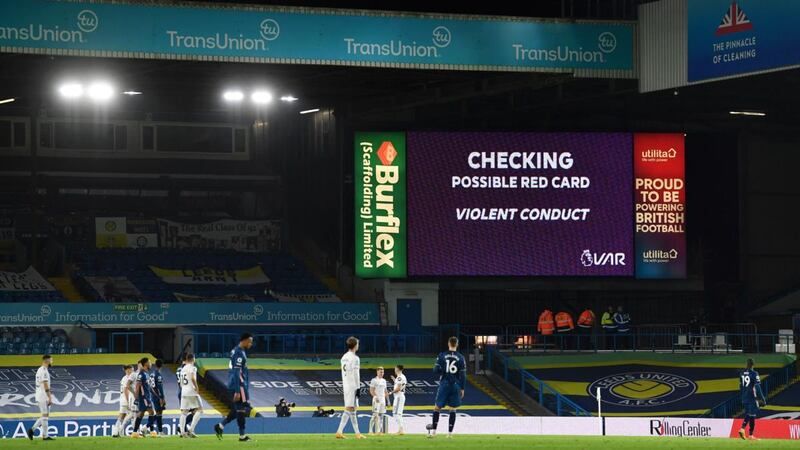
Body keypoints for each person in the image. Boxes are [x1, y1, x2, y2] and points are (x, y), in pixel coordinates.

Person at [215, 333, 254, 442]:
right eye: (250, 341)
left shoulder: (237, 350)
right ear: (244, 340)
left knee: (240, 408)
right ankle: (241, 436)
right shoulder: (238, 352)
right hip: (239, 385)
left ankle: (221, 425)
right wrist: (237, 390)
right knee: (243, 409)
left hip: (239, 384)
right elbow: (237, 372)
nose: (251, 343)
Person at [426, 336, 466, 439]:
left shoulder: (442, 355)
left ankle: (434, 432)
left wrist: (443, 371)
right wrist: (462, 388)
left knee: (437, 407)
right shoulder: (461, 357)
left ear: (448, 344)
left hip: (444, 384)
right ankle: (449, 434)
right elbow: (463, 375)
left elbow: (435, 370)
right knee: (453, 409)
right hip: (456, 385)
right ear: (457, 344)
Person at [335, 336, 365, 439]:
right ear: (355, 345)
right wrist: (358, 387)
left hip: (346, 384)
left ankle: (357, 433)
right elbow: (356, 374)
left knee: (353, 410)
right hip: (352, 385)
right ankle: (339, 431)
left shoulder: (344, 357)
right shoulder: (355, 358)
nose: (358, 345)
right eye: (358, 344)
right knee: (349, 409)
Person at [27, 354, 55, 441]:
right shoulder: (43, 371)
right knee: (45, 416)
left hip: (41, 395)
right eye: (51, 360)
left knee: (45, 416)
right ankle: (44, 436)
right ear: (47, 360)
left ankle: (32, 430)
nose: (52, 361)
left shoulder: (41, 369)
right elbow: (45, 384)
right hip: (43, 396)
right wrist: (49, 397)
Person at [738, 358, 767, 440]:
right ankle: (742, 428)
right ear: (753, 365)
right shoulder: (754, 373)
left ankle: (750, 435)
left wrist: (742, 396)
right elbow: (757, 386)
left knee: (751, 414)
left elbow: (740, 386)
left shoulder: (742, 373)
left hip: (744, 396)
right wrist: (762, 398)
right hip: (752, 397)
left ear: (746, 364)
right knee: (751, 413)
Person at [179, 354, 203, 438]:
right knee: (200, 410)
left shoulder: (183, 369)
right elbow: (193, 378)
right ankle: (191, 430)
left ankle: (182, 432)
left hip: (184, 391)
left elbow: (181, 382)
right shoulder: (192, 368)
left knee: (184, 412)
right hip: (191, 391)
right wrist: (197, 387)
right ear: (193, 359)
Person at [132, 357, 156, 438]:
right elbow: (137, 386)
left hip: (147, 396)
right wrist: (136, 398)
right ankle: (144, 429)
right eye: (149, 362)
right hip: (144, 397)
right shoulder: (141, 374)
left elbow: (149, 387)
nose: (151, 364)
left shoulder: (147, 374)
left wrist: (156, 395)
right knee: (152, 413)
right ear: (146, 364)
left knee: (141, 414)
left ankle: (135, 433)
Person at [113, 365, 134, 438]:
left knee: (122, 415)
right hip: (126, 398)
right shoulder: (127, 378)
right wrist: (128, 401)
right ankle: (136, 432)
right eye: (131, 369)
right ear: (128, 370)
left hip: (123, 398)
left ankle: (117, 432)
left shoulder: (124, 378)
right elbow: (126, 390)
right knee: (132, 415)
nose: (132, 371)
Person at [176, 354, 194, 435]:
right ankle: (182, 427)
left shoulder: (178, 369)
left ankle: (184, 429)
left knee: (184, 412)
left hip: (181, 392)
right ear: (187, 359)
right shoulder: (187, 368)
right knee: (196, 411)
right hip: (188, 392)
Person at [368, 367, 389, 435]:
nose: (382, 373)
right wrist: (375, 396)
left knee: (381, 416)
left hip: (383, 400)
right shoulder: (374, 380)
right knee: (375, 415)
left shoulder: (384, 381)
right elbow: (371, 390)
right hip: (376, 400)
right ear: (377, 372)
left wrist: (388, 400)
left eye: (383, 372)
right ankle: (370, 431)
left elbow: (385, 391)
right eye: (380, 372)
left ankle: (379, 431)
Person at [148, 359, 166, 436]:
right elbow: (160, 388)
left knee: (159, 413)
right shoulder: (158, 375)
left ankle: (160, 431)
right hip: (158, 397)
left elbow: (150, 387)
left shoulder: (152, 374)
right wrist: (162, 398)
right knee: (159, 413)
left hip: (153, 396)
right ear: (162, 365)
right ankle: (146, 427)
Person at [391, 364, 407, 435]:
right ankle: (400, 429)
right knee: (396, 413)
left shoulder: (399, 377)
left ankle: (401, 430)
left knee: (397, 414)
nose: (394, 369)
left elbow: (398, 388)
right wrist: (394, 379)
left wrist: (390, 392)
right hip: (399, 397)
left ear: (397, 369)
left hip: (399, 396)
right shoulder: (400, 377)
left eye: (395, 368)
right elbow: (399, 384)